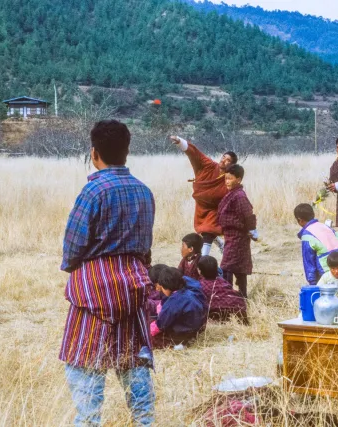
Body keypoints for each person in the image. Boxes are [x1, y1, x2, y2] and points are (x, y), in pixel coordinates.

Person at [59, 120, 156, 427]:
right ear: (127, 152)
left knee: (84, 369)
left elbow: (73, 246)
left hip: (94, 291)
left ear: (94, 153)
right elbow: (145, 245)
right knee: (135, 366)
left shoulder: (93, 191)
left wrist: (73, 267)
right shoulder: (144, 191)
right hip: (133, 286)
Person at [170, 135, 238, 256]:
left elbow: (235, 193)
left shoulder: (229, 178)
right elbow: (196, 154)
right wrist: (180, 142)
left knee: (208, 230)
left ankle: (203, 259)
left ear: (231, 165)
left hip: (215, 208)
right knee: (204, 229)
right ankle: (221, 244)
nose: (223, 160)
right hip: (201, 206)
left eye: (228, 160)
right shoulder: (209, 165)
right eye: (223, 157)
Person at [218, 164, 258, 298]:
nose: (227, 181)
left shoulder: (239, 196)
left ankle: (228, 297)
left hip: (238, 238)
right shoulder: (231, 194)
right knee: (237, 269)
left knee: (227, 267)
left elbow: (248, 215)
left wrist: (252, 230)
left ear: (239, 180)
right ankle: (241, 296)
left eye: (230, 178)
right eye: (226, 179)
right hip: (230, 237)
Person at [148, 265, 207, 348]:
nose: (159, 290)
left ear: (167, 286)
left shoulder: (173, 302)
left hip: (181, 335)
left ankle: (178, 346)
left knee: (148, 338)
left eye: (161, 287)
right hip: (196, 330)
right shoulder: (188, 292)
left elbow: (161, 325)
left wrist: (147, 331)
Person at [294, 203, 338, 286]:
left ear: (300, 220)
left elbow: (309, 263)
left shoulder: (307, 235)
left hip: (329, 272)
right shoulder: (325, 227)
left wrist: (313, 284)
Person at [197, 255, 248, 323]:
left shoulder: (199, 285)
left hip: (218, 316)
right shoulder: (223, 282)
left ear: (200, 271)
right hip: (239, 311)